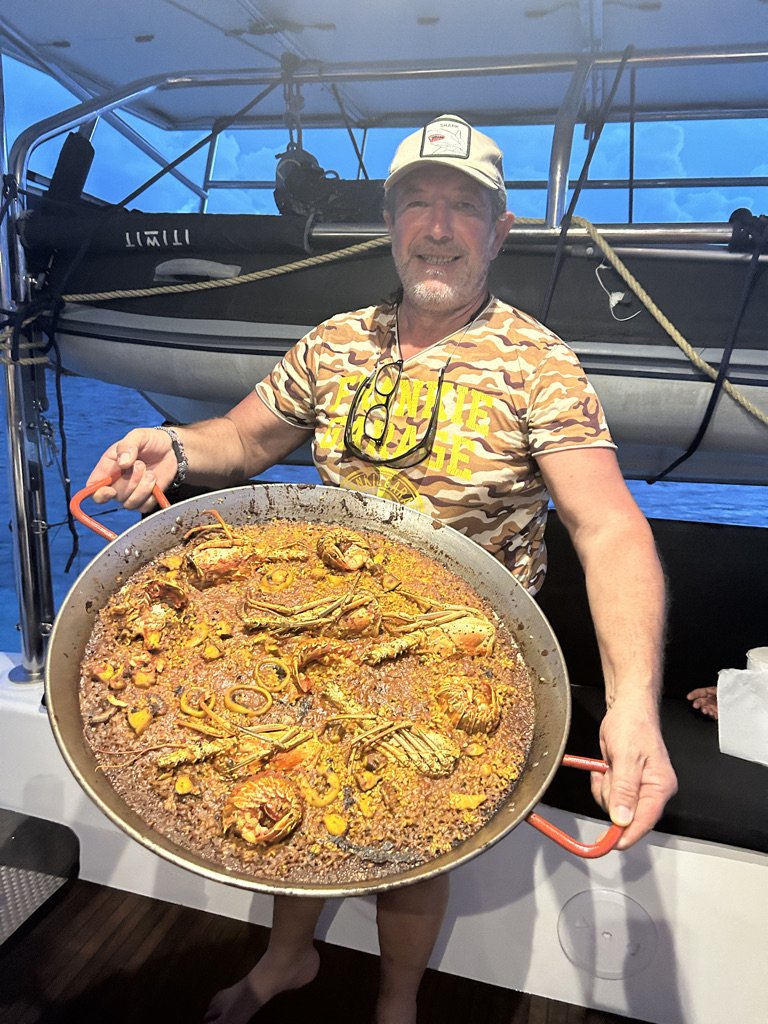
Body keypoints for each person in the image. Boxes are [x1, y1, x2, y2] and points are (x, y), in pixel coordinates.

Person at [86, 114, 678, 1024]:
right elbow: (243, 438)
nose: (437, 227)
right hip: (321, 620)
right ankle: (288, 959)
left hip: (462, 650)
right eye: (416, 204)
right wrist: (175, 445)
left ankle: (396, 1003)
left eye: (463, 207)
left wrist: (633, 705)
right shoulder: (337, 341)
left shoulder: (538, 365)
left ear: (499, 229)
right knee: (287, 780)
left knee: (411, 837)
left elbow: (608, 528)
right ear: (391, 223)